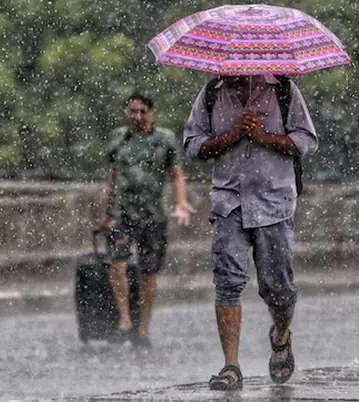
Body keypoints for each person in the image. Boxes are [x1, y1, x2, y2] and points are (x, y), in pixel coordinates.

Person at [183, 75, 318, 389]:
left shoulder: (284, 90)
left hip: (274, 202)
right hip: (229, 201)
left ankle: (281, 335)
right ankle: (231, 366)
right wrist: (228, 138)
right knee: (227, 281)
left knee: (278, 288)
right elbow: (192, 144)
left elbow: (306, 141)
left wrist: (264, 136)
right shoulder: (211, 94)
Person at [100, 90, 196, 349]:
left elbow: (176, 174)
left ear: (151, 113)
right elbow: (113, 174)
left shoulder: (164, 139)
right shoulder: (118, 139)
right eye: (133, 111)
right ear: (126, 112)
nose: (138, 116)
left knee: (149, 273)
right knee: (117, 263)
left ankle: (143, 328)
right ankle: (124, 321)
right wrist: (106, 212)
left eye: (143, 111)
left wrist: (180, 202)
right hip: (122, 214)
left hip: (153, 216)